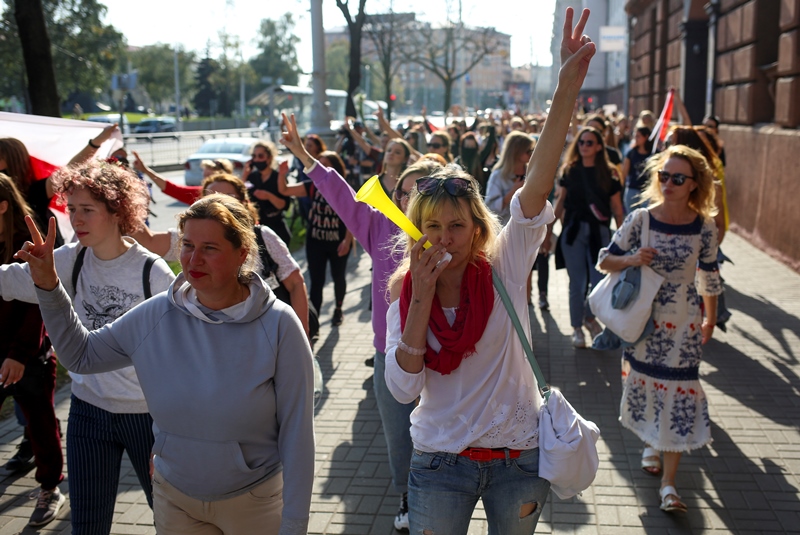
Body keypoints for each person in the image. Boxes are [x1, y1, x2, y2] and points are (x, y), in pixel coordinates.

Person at [382, 8, 594, 533]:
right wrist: (423, 299)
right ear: (417, 232)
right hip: (437, 464)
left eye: (457, 225)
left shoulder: (505, 262)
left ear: (478, 229)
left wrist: (566, 83)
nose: (444, 239)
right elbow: (402, 390)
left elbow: (537, 185)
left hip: (516, 463)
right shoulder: (404, 296)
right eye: (432, 227)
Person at [18, 194, 316, 534]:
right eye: (187, 244)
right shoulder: (155, 314)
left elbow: (298, 434)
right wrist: (48, 286)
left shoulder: (278, 324)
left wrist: (294, 523)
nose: (194, 259)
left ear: (242, 254)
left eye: (210, 248)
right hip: (175, 499)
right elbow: (81, 356)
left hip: (254, 502)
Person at [280, 111, 443, 530]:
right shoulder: (380, 228)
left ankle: (442, 498)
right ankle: (408, 497)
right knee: (399, 438)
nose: (409, 200)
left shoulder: (452, 239)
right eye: (403, 192)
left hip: (446, 356)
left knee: (442, 437)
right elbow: (343, 198)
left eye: (420, 191)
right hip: (389, 354)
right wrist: (305, 157)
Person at [0, 160, 175, 534]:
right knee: (88, 524)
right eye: (72, 209)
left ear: (118, 211)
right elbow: (13, 280)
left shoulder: (152, 272)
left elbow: (181, 350)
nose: (76, 219)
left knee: (170, 517)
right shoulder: (71, 258)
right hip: (88, 411)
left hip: (148, 417)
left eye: (88, 210)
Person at [597, 145, 721, 514]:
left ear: (694, 185)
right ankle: (651, 441)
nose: (668, 183)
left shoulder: (704, 226)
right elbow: (605, 260)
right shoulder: (641, 220)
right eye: (663, 176)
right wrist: (633, 258)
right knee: (648, 387)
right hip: (644, 322)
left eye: (677, 178)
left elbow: (710, 277)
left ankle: (669, 485)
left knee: (679, 392)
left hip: (684, 323)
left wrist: (710, 319)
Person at [132, 172, 311, 339]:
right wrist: (124, 203)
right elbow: (149, 240)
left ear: (243, 202)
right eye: (211, 198)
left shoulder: (263, 236)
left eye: (228, 198)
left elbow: (295, 283)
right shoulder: (191, 240)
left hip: (269, 336)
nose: (196, 257)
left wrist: (300, 334)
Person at [0, 173, 64, 527]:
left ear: (3, 205)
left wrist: (19, 355)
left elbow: (39, 304)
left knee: (41, 426)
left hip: (29, 357)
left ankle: (50, 487)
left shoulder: (29, 244)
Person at [554, 125, 624, 348]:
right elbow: (561, 201)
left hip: (599, 233)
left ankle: (590, 318)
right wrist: (547, 231)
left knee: (599, 282)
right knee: (577, 283)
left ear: (599, 147)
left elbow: (617, 207)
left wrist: (624, 238)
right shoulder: (570, 170)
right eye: (581, 142)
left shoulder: (609, 172)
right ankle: (577, 327)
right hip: (573, 232)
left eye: (589, 143)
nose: (584, 146)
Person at [279, 151, 353, 327]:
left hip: (338, 241)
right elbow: (285, 190)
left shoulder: (343, 187)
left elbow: (353, 215)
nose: (322, 169)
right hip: (315, 241)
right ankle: (314, 320)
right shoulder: (312, 185)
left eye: (326, 165)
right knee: (316, 281)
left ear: (336, 168)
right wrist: (282, 174)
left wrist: (348, 240)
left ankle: (338, 309)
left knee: (338, 277)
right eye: (318, 165)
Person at [133, 152, 233, 205]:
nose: (210, 184)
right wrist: (145, 170)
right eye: (206, 178)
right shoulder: (200, 194)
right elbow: (171, 188)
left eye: (212, 178)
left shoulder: (237, 198)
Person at [244, 140, 291, 246]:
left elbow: (284, 205)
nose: (256, 159)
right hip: (256, 230)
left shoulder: (278, 177)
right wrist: (245, 174)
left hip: (276, 228)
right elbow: (240, 195)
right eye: (254, 156)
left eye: (260, 156)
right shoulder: (252, 177)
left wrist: (269, 196)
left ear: (269, 158)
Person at [485, 131, 536, 225]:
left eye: (532, 150)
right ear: (517, 151)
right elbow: (490, 208)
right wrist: (513, 191)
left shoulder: (532, 173)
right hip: (506, 229)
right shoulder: (498, 175)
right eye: (528, 151)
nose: (531, 154)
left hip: (529, 229)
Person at [621, 125, 653, 213]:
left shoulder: (654, 153)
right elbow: (624, 173)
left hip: (648, 192)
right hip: (632, 190)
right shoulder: (631, 153)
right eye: (635, 136)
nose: (636, 138)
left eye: (638, 136)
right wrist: (621, 191)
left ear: (646, 137)